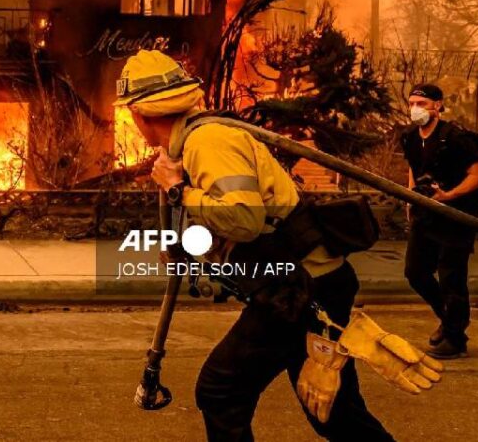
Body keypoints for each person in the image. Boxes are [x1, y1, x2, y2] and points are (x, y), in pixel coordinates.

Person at [116, 50, 395, 442]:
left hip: (301, 289)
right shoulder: (192, 144)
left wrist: (178, 190)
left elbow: (243, 220)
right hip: (306, 284)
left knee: (221, 389)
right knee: (333, 413)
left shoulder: (207, 141)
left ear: (139, 114)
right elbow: (233, 218)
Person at [401, 83, 478, 359]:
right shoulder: (411, 137)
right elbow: (414, 170)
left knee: (452, 277)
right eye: (412, 103)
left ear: (438, 105)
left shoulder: (456, 138)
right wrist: (410, 199)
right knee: (416, 272)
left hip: (456, 216)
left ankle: (455, 339)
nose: (415, 109)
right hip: (425, 215)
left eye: (422, 104)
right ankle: (451, 323)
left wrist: (448, 195)